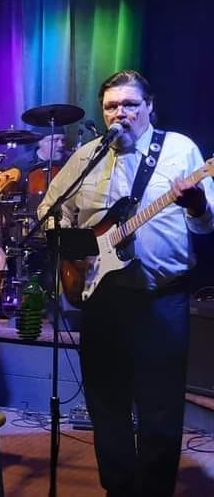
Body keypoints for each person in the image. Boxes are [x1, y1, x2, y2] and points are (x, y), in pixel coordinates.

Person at [38, 70, 214, 497]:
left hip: (161, 297)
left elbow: (207, 225)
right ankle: (118, 488)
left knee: (160, 407)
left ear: (149, 107)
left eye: (130, 104)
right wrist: (76, 255)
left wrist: (196, 206)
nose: (121, 113)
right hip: (103, 298)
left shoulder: (180, 150)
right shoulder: (87, 157)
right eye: (112, 106)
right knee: (106, 403)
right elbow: (49, 211)